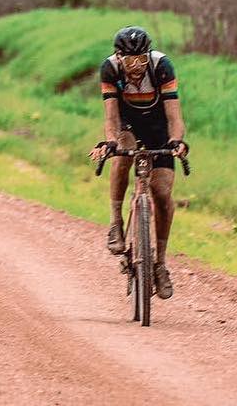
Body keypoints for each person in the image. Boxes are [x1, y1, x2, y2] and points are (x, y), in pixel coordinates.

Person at [88, 25, 187, 300]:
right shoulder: (110, 69)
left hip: (158, 127)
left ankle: (161, 264)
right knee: (122, 152)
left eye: (141, 59)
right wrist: (110, 141)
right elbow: (110, 116)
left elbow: (175, 116)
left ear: (148, 55)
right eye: (130, 61)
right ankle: (116, 222)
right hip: (127, 124)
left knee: (162, 192)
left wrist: (177, 141)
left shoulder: (162, 67)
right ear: (119, 58)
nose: (136, 66)